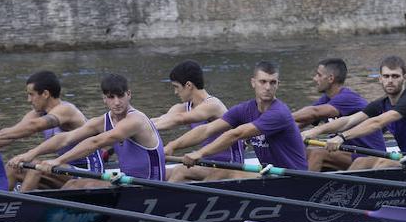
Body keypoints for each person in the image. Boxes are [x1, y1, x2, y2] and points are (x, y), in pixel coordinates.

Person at [20, 73, 164, 189]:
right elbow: (65, 138)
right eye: (111, 97)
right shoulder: (102, 121)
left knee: (76, 185)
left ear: (129, 94)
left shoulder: (136, 120)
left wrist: (58, 161)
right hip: (128, 184)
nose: (117, 102)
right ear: (104, 99)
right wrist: (30, 153)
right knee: (72, 184)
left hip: (151, 186)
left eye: (120, 96)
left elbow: (96, 142)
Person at [302, 56, 406, 169]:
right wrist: (314, 131)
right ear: (380, 78)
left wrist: (342, 137)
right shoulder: (381, 103)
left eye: (395, 76)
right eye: (386, 76)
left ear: (405, 78)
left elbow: (377, 122)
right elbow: (349, 120)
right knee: (360, 162)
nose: (390, 81)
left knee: (383, 163)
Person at [168, 61, 308, 174]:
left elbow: (236, 134)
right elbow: (206, 129)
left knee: (222, 174)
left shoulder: (279, 113)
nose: (267, 87)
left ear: (278, 85)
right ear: (253, 82)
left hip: (294, 178)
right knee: (179, 173)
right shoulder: (245, 109)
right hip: (272, 174)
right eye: (263, 82)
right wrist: (171, 146)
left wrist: (199, 153)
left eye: (272, 82)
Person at [0, 70, 104, 191]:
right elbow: (12, 133)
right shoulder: (38, 113)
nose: (29, 100)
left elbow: (34, 126)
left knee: (37, 167)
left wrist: (29, 153)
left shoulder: (66, 110)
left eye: (31, 94)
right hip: (61, 169)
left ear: (45, 94)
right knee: (12, 166)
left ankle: (20, 201)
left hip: (88, 172)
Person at [151, 60, 244, 182]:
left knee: (181, 171)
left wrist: (171, 146)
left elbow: (180, 119)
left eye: (176, 87)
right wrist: (136, 128)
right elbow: (161, 120)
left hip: (230, 165)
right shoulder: (183, 107)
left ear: (188, 85)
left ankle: (164, 194)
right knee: (161, 173)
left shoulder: (213, 105)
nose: (175, 92)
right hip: (208, 162)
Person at [290, 58, 389, 171]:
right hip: (348, 153)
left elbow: (314, 112)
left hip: (370, 154)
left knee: (318, 154)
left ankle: (302, 182)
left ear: (331, 78)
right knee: (302, 153)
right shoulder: (326, 99)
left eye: (319, 75)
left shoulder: (348, 98)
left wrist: (281, 118)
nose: (315, 79)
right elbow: (304, 120)